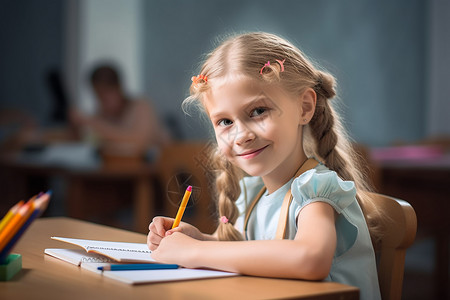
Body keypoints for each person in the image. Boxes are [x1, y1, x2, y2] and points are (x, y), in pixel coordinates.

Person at [147, 32, 382, 299]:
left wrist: (192, 251)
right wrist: (198, 238)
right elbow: (245, 250)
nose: (241, 135)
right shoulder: (253, 193)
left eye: (258, 111)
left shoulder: (316, 189)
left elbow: (311, 259)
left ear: (305, 107)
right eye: (225, 122)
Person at [70, 65, 170, 157]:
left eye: (104, 96)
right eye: (98, 97)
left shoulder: (142, 107)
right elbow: (90, 141)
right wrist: (77, 127)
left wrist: (93, 123)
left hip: (156, 171)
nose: (101, 102)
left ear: (118, 88)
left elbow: (138, 141)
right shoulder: (104, 114)